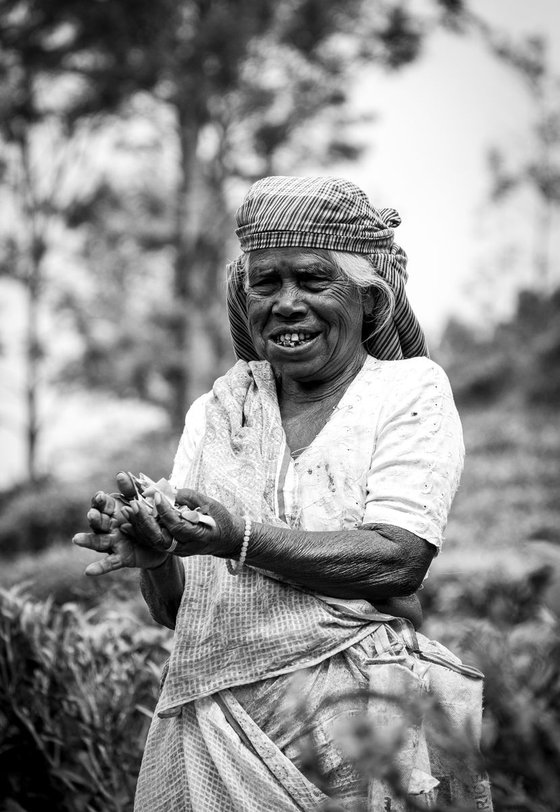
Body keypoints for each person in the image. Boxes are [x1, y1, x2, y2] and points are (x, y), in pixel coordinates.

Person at [73, 176, 493, 811]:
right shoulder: (218, 411)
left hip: (353, 723)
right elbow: (177, 611)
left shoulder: (408, 393)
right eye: (266, 283)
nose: (286, 303)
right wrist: (157, 554)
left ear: (369, 299)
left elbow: (398, 557)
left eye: (313, 280)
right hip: (214, 723)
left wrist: (237, 537)